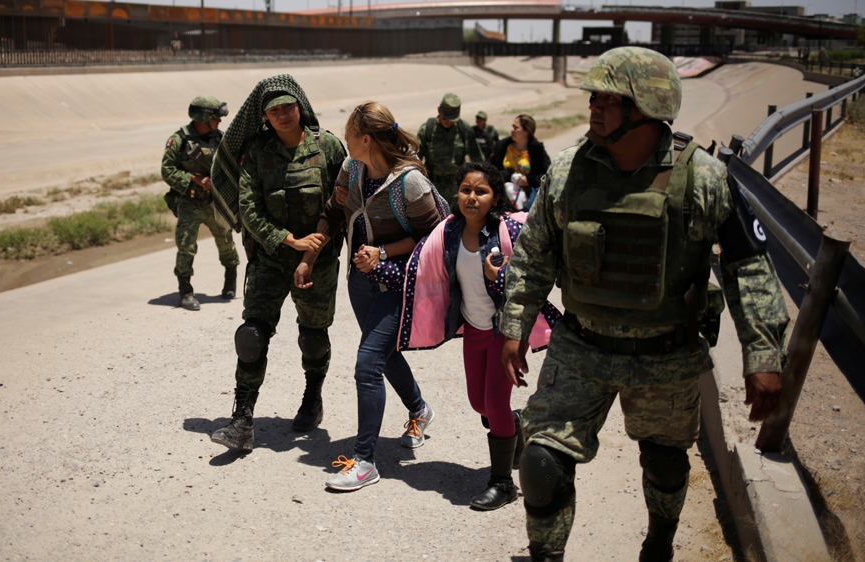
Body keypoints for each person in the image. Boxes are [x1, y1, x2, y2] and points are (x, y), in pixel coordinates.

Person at [499, 47, 790, 562]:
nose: (594, 107)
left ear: (648, 107)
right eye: (593, 96)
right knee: (541, 464)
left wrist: (762, 355)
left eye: (610, 100)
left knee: (666, 465)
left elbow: (749, 267)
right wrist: (516, 323)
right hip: (581, 347)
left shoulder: (703, 178)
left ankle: (658, 545)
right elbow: (535, 252)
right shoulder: (568, 172)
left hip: (666, 355)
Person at [296, 101, 447, 491]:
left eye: (349, 135)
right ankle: (420, 409)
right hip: (360, 282)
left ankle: (365, 461)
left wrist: (384, 252)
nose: (345, 142)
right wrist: (309, 258)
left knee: (367, 364)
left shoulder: (409, 183)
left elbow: (435, 240)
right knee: (384, 353)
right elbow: (332, 212)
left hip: (399, 284)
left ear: (365, 138)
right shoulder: (353, 168)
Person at [398, 160, 560, 510]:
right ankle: (515, 427)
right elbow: (420, 272)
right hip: (474, 330)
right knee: (479, 403)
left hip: (505, 331)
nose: (472, 197)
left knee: (495, 403)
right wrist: (378, 263)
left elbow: (527, 283)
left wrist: (495, 279)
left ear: (495, 197)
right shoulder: (448, 231)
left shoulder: (508, 232)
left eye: (481, 191)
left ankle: (502, 484)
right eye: (466, 190)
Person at [209, 76, 347, 450]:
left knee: (314, 338)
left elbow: (340, 205)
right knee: (251, 337)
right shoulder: (257, 150)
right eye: (273, 110)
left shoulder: (329, 146)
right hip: (269, 258)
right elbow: (248, 207)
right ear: (265, 117)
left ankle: (312, 399)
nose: (282, 114)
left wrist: (308, 252)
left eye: (287, 107)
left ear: (299, 106)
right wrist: (288, 240)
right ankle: (242, 421)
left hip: (317, 260)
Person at [160, 95, 240, 310]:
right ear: (203, 118)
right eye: (215, 117)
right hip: (190, 203)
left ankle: (230, 282)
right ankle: (185, 292)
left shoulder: (220, 139)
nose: (219, 121)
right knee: (186, 247)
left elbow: (233, 166)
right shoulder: (179, 141)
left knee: (226, 244)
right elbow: (167, 170)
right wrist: (193, 180)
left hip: (215, 203)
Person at [417, 93, 485, 204]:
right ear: (439, 110)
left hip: (457, 191)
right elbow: (415, 160)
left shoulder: (464, 129)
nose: (448, 122)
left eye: (452, 119)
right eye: (446, 118)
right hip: (432, 189)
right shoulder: (427, 130)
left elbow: (477, 158)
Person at [490, 114, 550, 213]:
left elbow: (547, 174)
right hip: (503, 199)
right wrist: (507, 175)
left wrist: (528, 180)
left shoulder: (537, 150)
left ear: (526, 132)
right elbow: (491, 170)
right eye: (512, 126)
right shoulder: (502, 147)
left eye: (516, 127)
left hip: (529, 202)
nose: (512, 130)